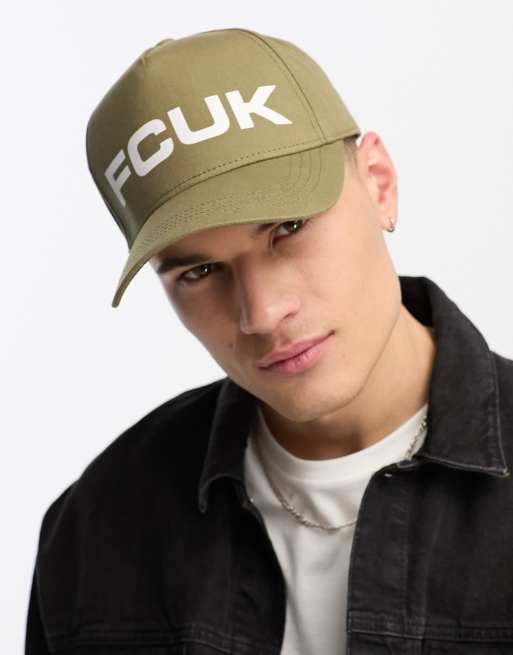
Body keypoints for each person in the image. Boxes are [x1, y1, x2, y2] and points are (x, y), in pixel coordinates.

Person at [25, 28, 513, 655]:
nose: (261, 312)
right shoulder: (101, 526)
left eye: (288, 227)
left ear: (379, 183)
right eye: (199, 271)